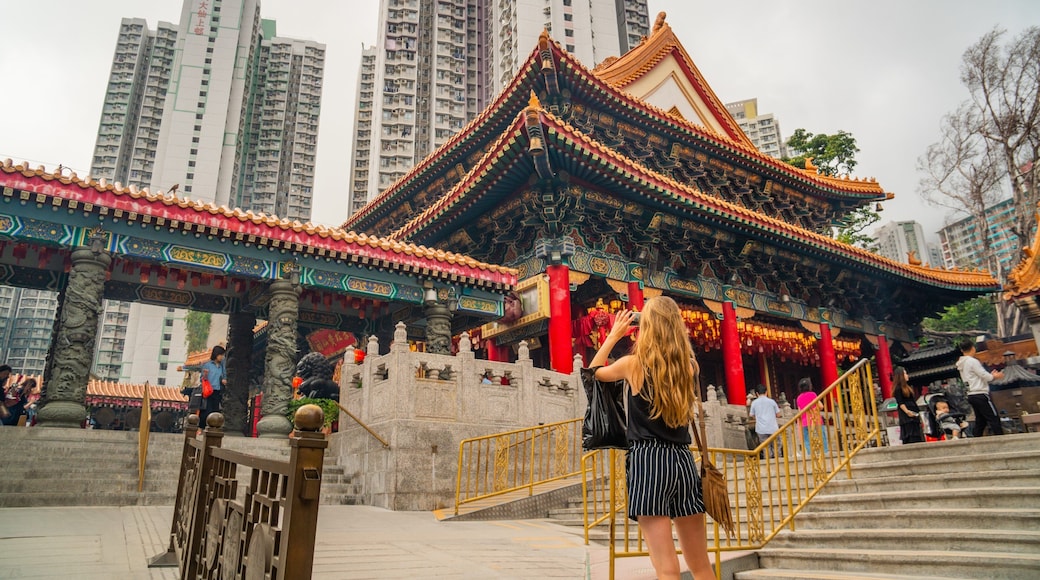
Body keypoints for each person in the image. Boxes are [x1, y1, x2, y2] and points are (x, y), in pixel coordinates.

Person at [591, 297, 714, 580]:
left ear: (645, 326)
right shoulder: (690, 367)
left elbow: (594, 372)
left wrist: (613, 335)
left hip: (648, 461)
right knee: (700, 565)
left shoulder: (632, 365)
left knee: (666, 569)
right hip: (683, 462)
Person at [956, 337, 1005, 437]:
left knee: (981, 420)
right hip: (980, 393)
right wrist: (994, 376)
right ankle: (1001, 438)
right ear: (973, 348)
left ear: (962, 350)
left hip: (971, 394)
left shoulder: (961, 363)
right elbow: (984, 375)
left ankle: (976, 439)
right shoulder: (972, 361)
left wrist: (990, 376)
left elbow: (978, 376)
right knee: (993, 417)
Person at [795, 377, 828, 453]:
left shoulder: (799, 398)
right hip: (815, 418)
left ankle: (810, 453)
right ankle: (825, 451)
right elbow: (821, 406)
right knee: (821, 436)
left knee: (807, 439)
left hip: (804, 421)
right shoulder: (812, 394)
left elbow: (800, 411)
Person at [749, 384, 782, 458]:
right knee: (776, 447)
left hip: (761, 429)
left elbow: (751, 415)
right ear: (766, 392)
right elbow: (778, 414)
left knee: (765, 448)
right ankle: (779, 463)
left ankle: (768, 464)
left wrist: (757, 417)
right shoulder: (772, 402)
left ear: (756, 394)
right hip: (773, 428)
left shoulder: (754, 403)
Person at [893, 366, 924, 444]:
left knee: (917, 433)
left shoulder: (907, 387)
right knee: (910, 434)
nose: (907, 375)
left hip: (913, 410)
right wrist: (907, 411)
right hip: (906, 412)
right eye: (905, 374)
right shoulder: (898, 388)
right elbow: (900, 402)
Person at [199, 345, 227, 424]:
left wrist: (224, 380)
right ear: (216, 354)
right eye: (221, 355)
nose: (222, 357)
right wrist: (205, 375)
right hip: (208, 390)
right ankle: (202, 426)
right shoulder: (207, 365)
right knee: (207, 409)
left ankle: (213, 426)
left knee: (215, 410)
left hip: (217, 390)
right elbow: (202, 379)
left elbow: (224, 376)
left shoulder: (222, 366)